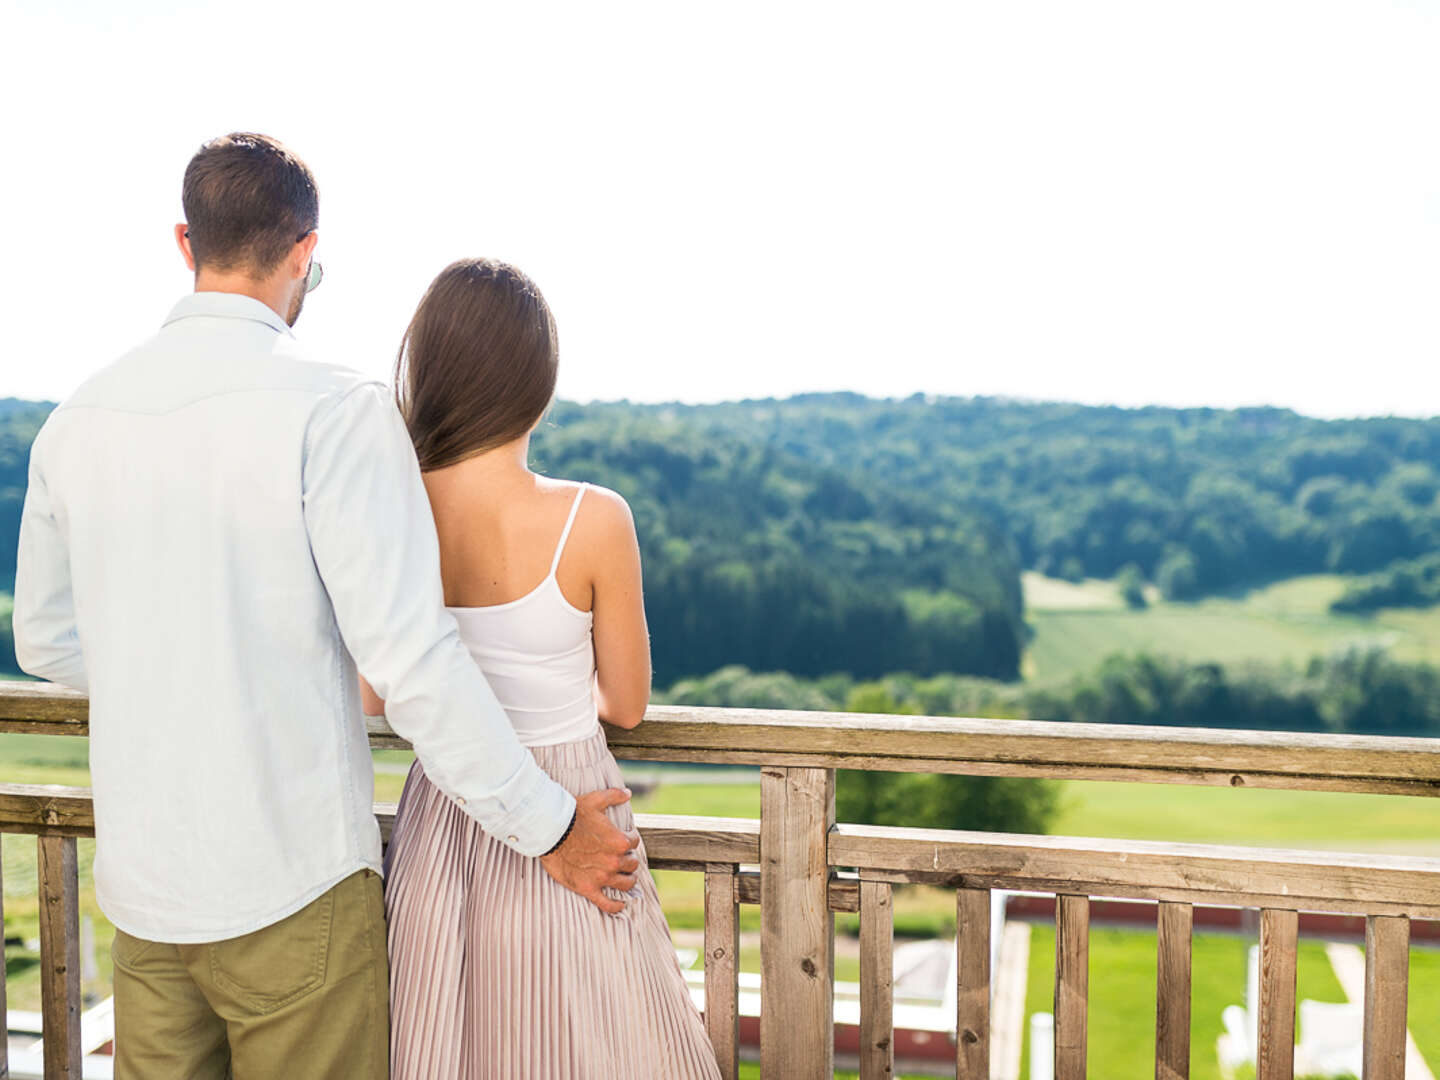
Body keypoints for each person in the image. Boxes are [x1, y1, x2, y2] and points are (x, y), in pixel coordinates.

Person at [12, 133, 638, 1079]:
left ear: (187, 242)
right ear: (306, 251)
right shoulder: (336, 409)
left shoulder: (77, 418)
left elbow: (47, 642)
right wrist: (551, 829)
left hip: (144, 896)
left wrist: (188, 651)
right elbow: (413, 665)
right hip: (292, 883)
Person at [370, 259, 721, 1079]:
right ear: (538, 381)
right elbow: (627, 703)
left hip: (444, 811)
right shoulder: (594, 518)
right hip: (576, 806)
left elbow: (378, 696)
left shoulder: (392, 510)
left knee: (451, 1040)